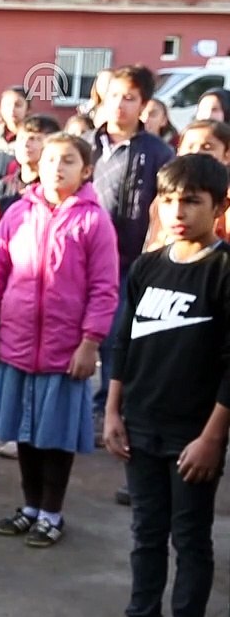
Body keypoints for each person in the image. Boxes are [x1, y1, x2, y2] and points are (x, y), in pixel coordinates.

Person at [84, 155, 230, 617]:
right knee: (146, 533)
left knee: (189, 538)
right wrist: (113, 412)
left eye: (191, 200)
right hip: (139, 426)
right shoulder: (146, 267)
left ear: (220, 207)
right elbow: (121, 346)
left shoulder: (224, 271)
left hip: (192, 435)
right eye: (167, 200)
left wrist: (212, 437)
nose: (177, 211)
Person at [0, 133, 119, 548]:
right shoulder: (17, 213)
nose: (56, 168)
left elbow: (104, 287)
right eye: (50, 160)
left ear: (86, 170)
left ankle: (51, 513)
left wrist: (90, 342)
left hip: (65, 350)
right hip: (17, 343)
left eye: (68, 161)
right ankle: (29, 508)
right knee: (24, 432)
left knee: (55, 435)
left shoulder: (94, 220)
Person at [90, 66, 174, 429]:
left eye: (129, 98)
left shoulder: (157, 153)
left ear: (143, 104)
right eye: (114, 96)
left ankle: (107, 410)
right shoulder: (86, 145)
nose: (119, 106)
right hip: (82, 257)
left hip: (128, 262)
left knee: (115, 338)